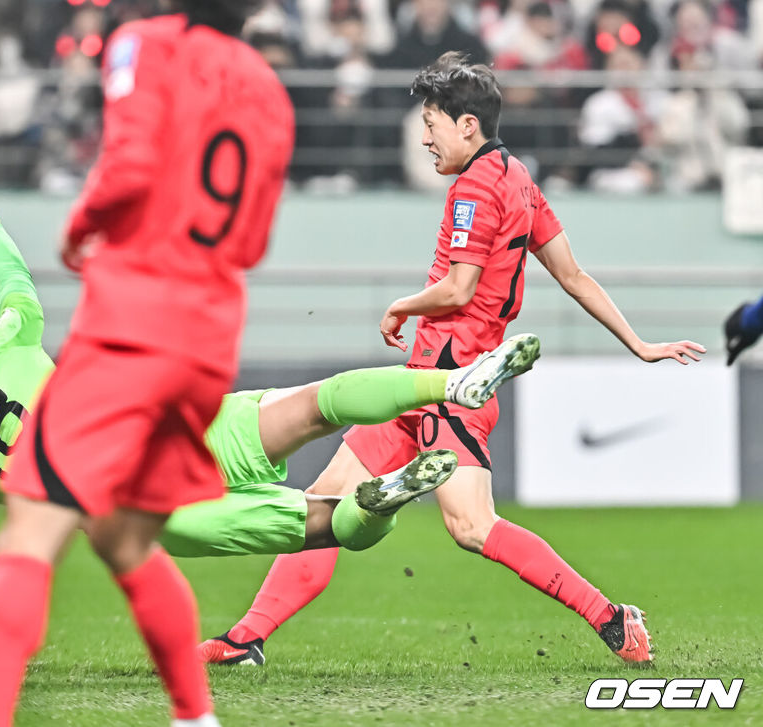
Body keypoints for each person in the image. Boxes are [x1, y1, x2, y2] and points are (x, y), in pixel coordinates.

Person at [200, 51, 706, 669]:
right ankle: (246, 639)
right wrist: (640, 342)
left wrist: (401, 305)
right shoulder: (518, 177)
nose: (425, 137)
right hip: (421, 384)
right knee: (326, 506)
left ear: (468, 125)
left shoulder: (474, 187)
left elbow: (459, 289)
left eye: (433, 122)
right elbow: (573, 276)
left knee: (471, 526)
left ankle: (610, 616)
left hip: (456, 386)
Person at [0, 158, 540, 566]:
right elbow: (13, 278)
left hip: (145, 509)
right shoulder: (12, 347)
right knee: (317, 404)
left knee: (320, 524)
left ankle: (381, 497)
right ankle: (453, 380)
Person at [0, 2, 296, 723]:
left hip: (133, 322)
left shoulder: (141, 43)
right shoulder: (270, 90)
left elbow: (130, 166)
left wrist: (80, 225)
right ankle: (195, 715)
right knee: (123, 535)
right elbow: (253, 241)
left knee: (30, 529)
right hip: (208, 341)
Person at [723, 297, 763, 365]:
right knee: (741, 345)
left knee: (739, 344)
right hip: (750, 325)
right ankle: (732, 353)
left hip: (746, 321)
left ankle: (732, 353)